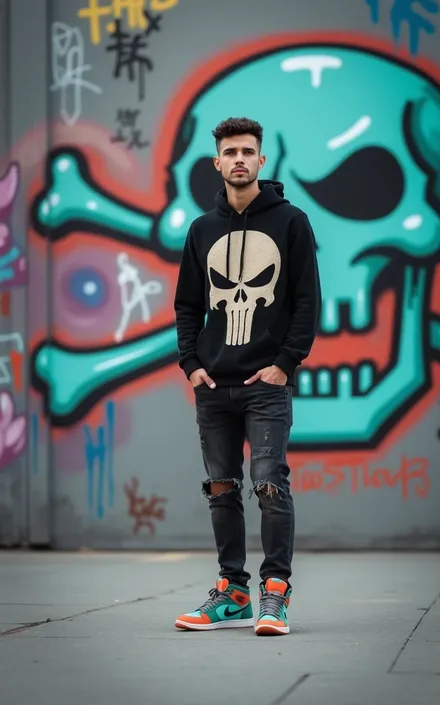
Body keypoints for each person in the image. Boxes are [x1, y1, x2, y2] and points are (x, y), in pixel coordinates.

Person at [173, 117, 321, 636]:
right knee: (220, 487)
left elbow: (306, 302)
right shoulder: (201, 230)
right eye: (230, 152)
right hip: (213, 386)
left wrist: (285, 365)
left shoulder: (291, 222)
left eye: (248, 151)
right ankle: (232, 591)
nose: (239, 159)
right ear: (217, 163)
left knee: (269, 484)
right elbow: (188, 305)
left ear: (261, 161)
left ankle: (274, 593)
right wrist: (191, 365)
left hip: (266, 385)